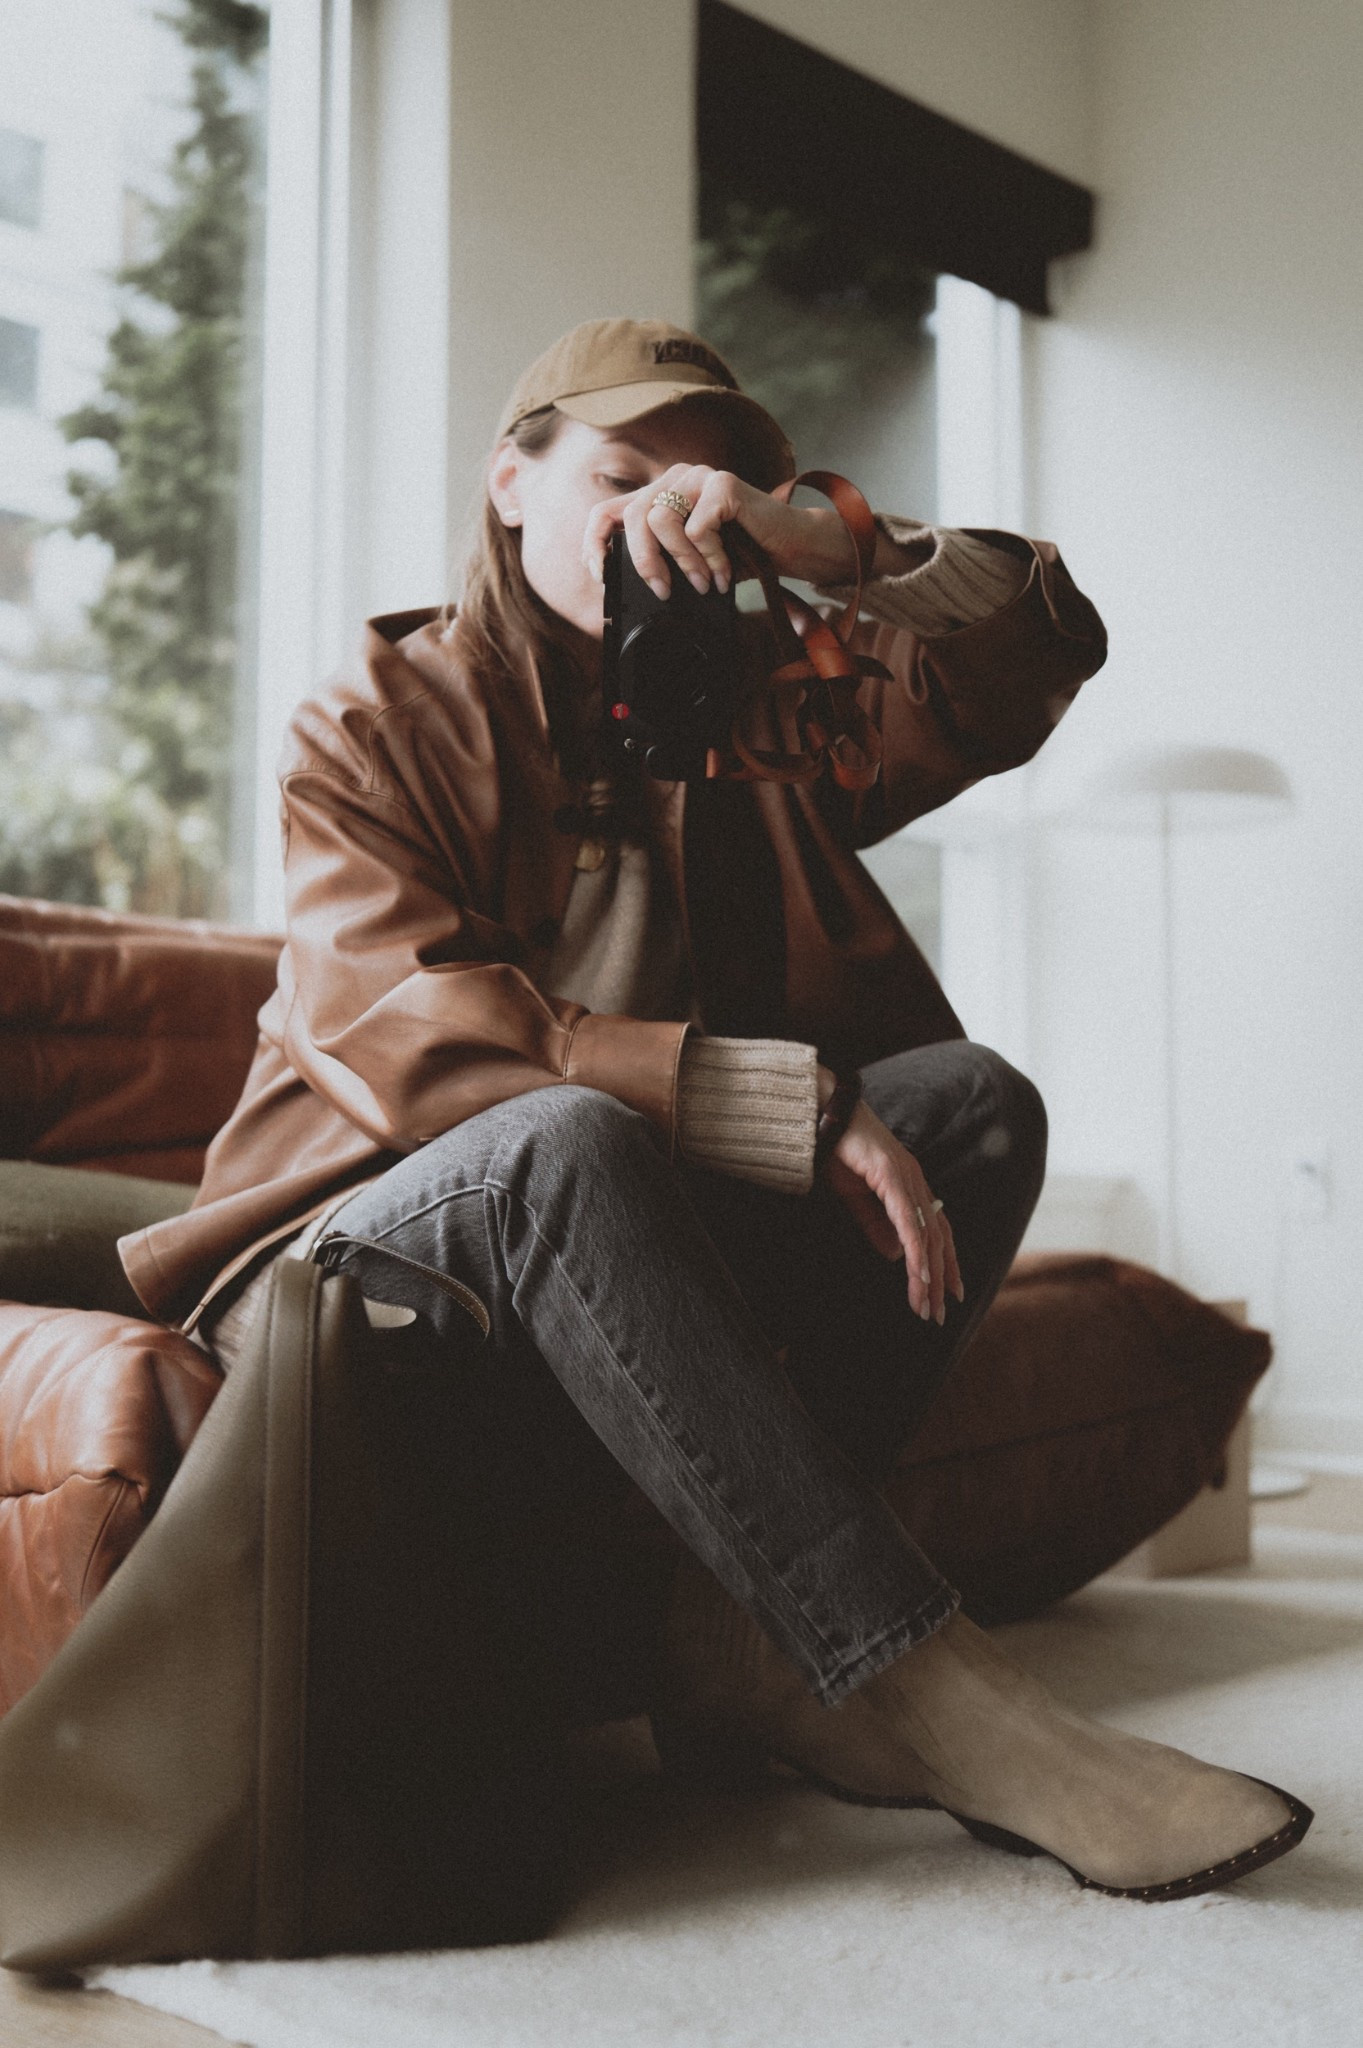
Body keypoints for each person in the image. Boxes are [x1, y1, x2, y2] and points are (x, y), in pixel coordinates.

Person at [119, 316, 1311, 1903]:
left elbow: (1033, 654)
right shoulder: (378, 712)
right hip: (355, 1276)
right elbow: (406, 1031)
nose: (659, 518)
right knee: (563, 1135)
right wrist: (775, 1101)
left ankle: (737, 1637)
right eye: (620, 476)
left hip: (619, 1268)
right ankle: (925, 1686)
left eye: (703, 490)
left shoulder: (761, 701)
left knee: (972, 1110)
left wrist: (834, 543)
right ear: (508, 483)